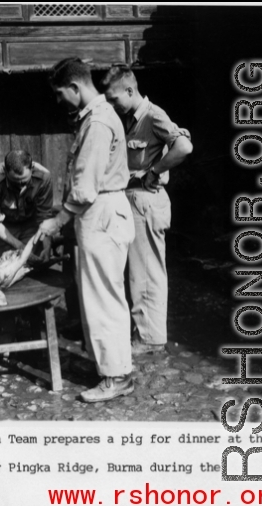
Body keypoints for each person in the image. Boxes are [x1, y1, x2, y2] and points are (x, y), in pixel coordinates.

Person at [38, 58, 135, 403]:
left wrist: (57, 221)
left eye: (61, 94)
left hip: (102, 213)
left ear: (76, 88)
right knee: (104, 294)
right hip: (102, 213)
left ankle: (115, 377)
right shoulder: (96, 117)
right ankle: (114, 367)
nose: (59, 101)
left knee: (103, 298)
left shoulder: (97, 122)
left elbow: (86, 188)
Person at [101, 66, 193, 355]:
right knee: (134, 272)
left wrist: (155, 170)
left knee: (148, 271)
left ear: (130, 91)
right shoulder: (127, 118)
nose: (111, 103)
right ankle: (141, 330)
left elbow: (184, 147)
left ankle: (151, 338)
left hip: (146, 199)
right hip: (130, 198)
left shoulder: (153, 115)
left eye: (114, 98)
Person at [0, 150, 53, 261]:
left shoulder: (44, 177)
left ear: (31, 169)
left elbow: (45, 216)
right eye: (15, 182)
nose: (20, 186)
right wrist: (20, 246)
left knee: (35, 262)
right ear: (6, 171)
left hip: (30, 224)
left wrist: (47, 247)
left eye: (24, 182)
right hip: (3, 226)